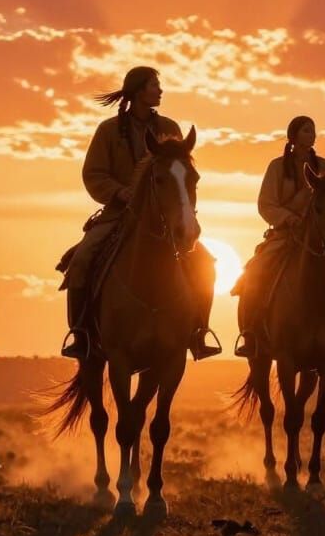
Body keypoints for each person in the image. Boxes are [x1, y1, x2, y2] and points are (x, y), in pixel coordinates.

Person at [59, 66, 221, 362]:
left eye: (158, 86)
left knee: (205, 263)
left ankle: (199, 330)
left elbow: (180, 172)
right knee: (82, 260)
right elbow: (94, 174)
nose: (160, 91)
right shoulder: (108, 130)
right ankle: (80, 333)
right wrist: (120, 193)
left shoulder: (170, 127)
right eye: (154, 85)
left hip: (164, 218)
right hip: (118, 215)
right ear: (137, 91)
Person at [234, 115, 325, 361]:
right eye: (306, 131)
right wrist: (288, 218)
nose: (311, 135)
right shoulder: (277, 167)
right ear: (293, 136)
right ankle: (251, 334)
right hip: (285, 234)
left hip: (321, 237)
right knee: (254, 273)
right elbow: (266, 203)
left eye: (313, 131)